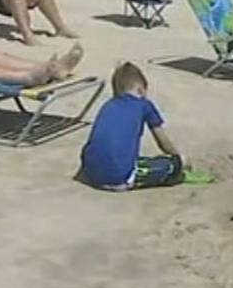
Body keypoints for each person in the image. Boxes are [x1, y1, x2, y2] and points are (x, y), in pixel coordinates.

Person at [77, 62, 185, 191]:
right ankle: (174, 167)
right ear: (141, 89)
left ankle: (103, 170)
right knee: (172, 164)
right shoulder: (144, 105)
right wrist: (179, 157)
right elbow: (164, 144)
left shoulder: (107, 105)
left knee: (110, 153)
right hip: (120, 179)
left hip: (91, 175)